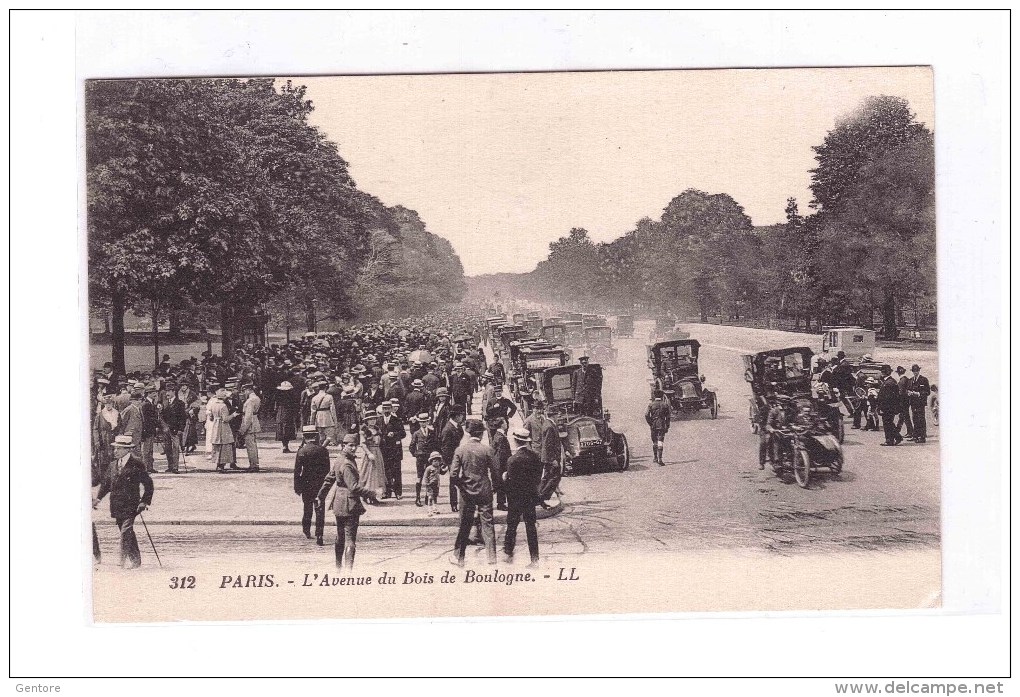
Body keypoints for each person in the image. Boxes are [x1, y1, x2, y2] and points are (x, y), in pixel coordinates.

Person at [93, 435, 154, 569]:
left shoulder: (137, 464)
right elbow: (106, 485)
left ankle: (121, 561)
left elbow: (148, 484)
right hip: (116, 505)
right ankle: (136, 560)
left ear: (127, 450)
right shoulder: (112, 465)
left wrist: (144, 501)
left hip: (131, 505)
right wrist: (98, 498)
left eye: (118, 448)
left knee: (125, 531)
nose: (115, 451)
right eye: (115, 448)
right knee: (127, 532)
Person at [317, 434, 375, 570]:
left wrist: (321, 496)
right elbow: (353, 487)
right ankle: (349, 572)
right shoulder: (347, 464)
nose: (354, 448)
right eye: (350, 445)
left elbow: (329, 479)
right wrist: (371, 493)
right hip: (350, 504)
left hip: (338, 502)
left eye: (355, 446)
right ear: (344, 445)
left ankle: (338, 568)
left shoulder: (339, 460)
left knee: (340, 537)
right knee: (350, 539)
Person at [449, 420, 500, 567]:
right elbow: (495, 472)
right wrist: (495, 487)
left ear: (468, 433)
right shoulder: (487, 450)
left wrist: (461, 485)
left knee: (465, 524)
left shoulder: (460, 450)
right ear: (481, 433)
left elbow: (453, 475)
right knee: (488, 524)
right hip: (484, 489)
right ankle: (492, 559)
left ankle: (459, 557)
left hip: (467, 491)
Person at [502, 428, 544, 566]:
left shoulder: (512, 460)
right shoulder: (535, 457)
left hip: (515, 498)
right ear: (526, 441)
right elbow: (538, 478)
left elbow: (510, 482)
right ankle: (534, 558)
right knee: (531, 527)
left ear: (515, 441)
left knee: (512, 526)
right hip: (530, 497)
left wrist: (505, 479)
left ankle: (508, 553)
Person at [293, 425, 331, 545]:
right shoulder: (323, 450)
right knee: (320, 509)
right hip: (320, 483)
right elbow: (327, 470)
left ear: (304, 437)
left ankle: (306, 530)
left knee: (307, 508)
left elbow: (297, 471)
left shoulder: (302, 451)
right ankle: (319, 534)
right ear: (316, 436)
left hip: (306, 483)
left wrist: (297, 487)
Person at [409, 413, 440, 507]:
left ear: (428, 422)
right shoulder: (416, 433)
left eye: (425, 422)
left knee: (430, 477)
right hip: (420, 458)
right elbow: (411, 446)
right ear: (419, 423)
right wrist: (416, 454)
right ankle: (418, 498)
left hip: (429, 459)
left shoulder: (431, 432)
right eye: (421, 422)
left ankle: (428, 496)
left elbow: (436, 444)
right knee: (420, 477)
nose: (423, 424)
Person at [378, 400, 406, 499]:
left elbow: (403, 434)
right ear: (382, 409)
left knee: (396, 471)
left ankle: (398, 493)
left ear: (391, 409)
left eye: (388, 408)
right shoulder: (379, 421)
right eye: (384, 408)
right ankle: (387, 492)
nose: (386, 410)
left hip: (395, 450)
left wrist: (394, 434)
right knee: (385, 472)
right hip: (383, 450)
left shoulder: (397, 420)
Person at [440, 407, 466, 512]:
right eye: (461, 415)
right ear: (456, 416)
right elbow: (445, 448)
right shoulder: (447, 429)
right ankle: (454, 504)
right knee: (453, 482)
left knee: (457, 481)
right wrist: (449, 463)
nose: (462, 417)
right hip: (452, 460)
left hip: (458, 458)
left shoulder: (457, 426)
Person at [357, 414, 387, 502]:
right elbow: (362, 444)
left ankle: (373, 496)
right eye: (370, 419)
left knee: (377, 474)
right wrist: (369, 453)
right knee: (368, 474)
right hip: (369, 453)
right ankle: (366, 495)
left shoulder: (377, 430)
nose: (372, 421)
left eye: (374, 419)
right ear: (367, 421)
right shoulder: (364, 431)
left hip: (378, 453)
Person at [160, 385, 187, 473]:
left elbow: (183, 418)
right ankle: (170, 466)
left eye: (169, 391)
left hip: (175, 430)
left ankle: (175, 467)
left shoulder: (180, 403)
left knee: (175, 448)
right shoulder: (164, 403)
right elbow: (162, 416)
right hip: (166, 430)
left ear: (173, 392)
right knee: (167, 448)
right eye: (166, 391)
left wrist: (181, 429)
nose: (167, 393)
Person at [210, 388, 239, 471]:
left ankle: (217, 463)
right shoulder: (223, 406)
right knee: (224, 444)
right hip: (223, 426)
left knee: (217, 443)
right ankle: (221, 465)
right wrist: (234, 415)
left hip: (216, 425)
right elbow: (225, 419)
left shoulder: (213, 404)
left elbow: (211, 416)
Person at [488, 417, 512, 511]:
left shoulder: (498, 435)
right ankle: (501, 504)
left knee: (500, 485)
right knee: (502, 484)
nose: (506, 424)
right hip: (501, 465)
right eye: (505, 422)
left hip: (498, 465)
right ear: (502, 424)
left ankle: (501, 503)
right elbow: (502, 454)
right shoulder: (501, 437)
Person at [238, 383, 262, 471]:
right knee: (253, 445)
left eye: (244, 391)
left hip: (250, 424)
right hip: (254, 422)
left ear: (248, 390)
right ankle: (255, 463)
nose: (244, 393)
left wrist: (243, 429)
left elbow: (248, 417)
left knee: (250, 446)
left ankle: (253, 465)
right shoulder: (256, 398)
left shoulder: (250, 401)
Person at [877, 366, 903, 446]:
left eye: (882, 372)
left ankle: (890, 440)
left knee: (887, 424)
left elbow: (887, 398)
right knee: (889, 423)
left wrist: (882, 407)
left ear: (884, 373)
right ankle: (894, 438)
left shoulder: (888, 383)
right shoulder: (891, 381)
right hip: (891, 407)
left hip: (887, 407)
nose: (881, 373)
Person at [645, 389, 671, 466]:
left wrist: (650, 423)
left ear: (654, 396)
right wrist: (667, 425)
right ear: (662, 396)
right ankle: (660, 459)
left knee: (654, 441)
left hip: (653, 425)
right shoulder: (665, 405)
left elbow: (646, 415)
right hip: (662, 425)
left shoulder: (651, 405)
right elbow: (668, 417)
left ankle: (655, 457)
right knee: (660, 441)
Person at [906, 364, 931, 443]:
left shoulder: (923, 380)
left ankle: (922, 437)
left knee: (921, 419)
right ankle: (916, 436)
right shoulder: (910, 380)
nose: (915, 372)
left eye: (916, 371)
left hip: (920, 403)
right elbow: (907, 389)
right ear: (912, 371)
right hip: (913, 403)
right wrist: (909, 393)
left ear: (919, 371)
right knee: (915, 419)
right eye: (914, 371)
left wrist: (919, 393)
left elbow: (927, 392)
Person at [310, 381, 337, 445]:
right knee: (330, 436)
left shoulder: (314, 397)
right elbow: (332, 409)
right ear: (326, 387)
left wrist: (312, 422)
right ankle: (323, 447)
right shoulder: (329, 396)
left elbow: (313, 411)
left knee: (321, 435)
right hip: (327, 416)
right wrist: (335, 420)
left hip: (318, 416)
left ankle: (320, 448)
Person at [275, 381, 298, 453]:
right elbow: (295, 405)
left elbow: (275, 407)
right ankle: (286, 446)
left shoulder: (278, 396)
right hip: (288, 413)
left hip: (280, 413)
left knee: (282, 429)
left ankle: (284, 445)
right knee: (287, 429)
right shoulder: (291, 396)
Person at [894, 366, 914, 439]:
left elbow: (901, 393)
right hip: (907, 401)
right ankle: (898, 430)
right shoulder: (907, 379)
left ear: (898, 373)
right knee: (902, 416)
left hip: (903, 401)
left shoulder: (901, 381)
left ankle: (910, 432)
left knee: (905, 417)